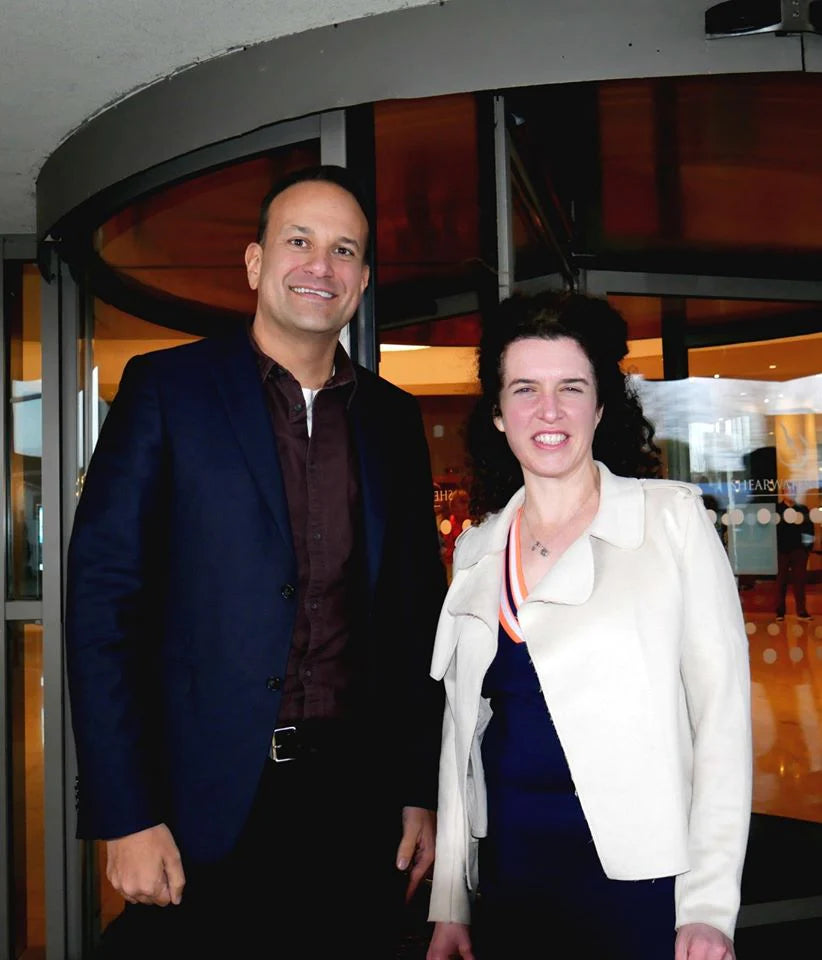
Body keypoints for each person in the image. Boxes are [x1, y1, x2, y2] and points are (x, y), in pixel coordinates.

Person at [65, 165, 447, 958]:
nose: (321, 265)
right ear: (253, 263)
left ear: (363, 280)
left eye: (344, 250)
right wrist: (125, 812)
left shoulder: (391, 420)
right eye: (298, 241)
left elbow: (415, 620)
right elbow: (104, 605)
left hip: (356, 806)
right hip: (201, 801)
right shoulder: (166, 390)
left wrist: (420, 791)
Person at [426, 291, 752, 960]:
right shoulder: (478, 548)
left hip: (640, 881)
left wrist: (709, 907)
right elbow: (460, 739)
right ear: (497, 413)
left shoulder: (671, 522)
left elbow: (722, 721)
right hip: (512, 877)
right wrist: (451, 904)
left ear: (600, 407)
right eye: (525, 389)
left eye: (571, 387)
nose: (548, 411)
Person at [775, 493, 814, 621]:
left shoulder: (802, 509)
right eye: (788, 490)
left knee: (800, 582)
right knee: (781, 582)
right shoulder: (776, 510)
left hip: (799, 551)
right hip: (781, 551)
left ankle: (801, 611)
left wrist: (807, 549)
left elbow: (809, 530)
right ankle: (780, 612)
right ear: (782, 493)